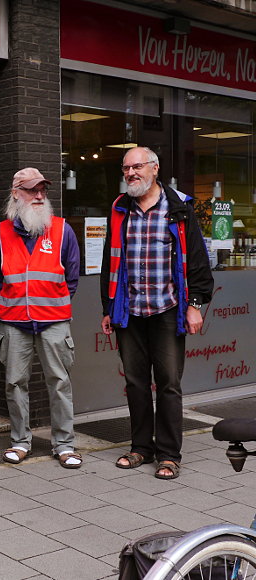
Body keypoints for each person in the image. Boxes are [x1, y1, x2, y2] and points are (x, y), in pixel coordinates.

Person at [101, 146, 214, 480]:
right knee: (135, 383)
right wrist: (108, 307)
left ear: (155, 168)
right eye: (126, 168)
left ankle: (168, 454)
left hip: (168, 310)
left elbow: (197, 260)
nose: (131, 173)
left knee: (168, 383)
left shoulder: (178, 207)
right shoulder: (120, 208)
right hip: (130, 310)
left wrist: (195, 305)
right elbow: (111, 262)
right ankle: (140, 447)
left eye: (137, 167)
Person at [0, 168, 82, 469]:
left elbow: (71, 277)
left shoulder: (62, 229)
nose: (39, 195)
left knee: (59, 383)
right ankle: (20, 441)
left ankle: (65, 445)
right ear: (16, 193)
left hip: (54, 321)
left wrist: (48, 302)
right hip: (14, 321)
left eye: (43, 189)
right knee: (15, 383)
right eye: (32, 190)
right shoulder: (0, 233)